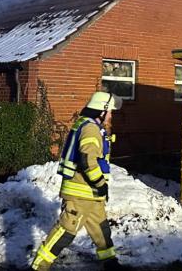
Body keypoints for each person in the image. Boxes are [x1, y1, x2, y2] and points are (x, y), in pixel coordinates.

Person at [31, 92, 122, 270]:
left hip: (91, 193)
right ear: (101, 111)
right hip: (81, 193)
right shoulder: (91, 128)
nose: (111, 116)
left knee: (101, 230)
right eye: (110, 112)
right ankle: (38, 267)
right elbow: (88, 160)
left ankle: (111, 264)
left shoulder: (89, 124)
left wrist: (100, 188)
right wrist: (100, 184)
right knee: (66, 231)